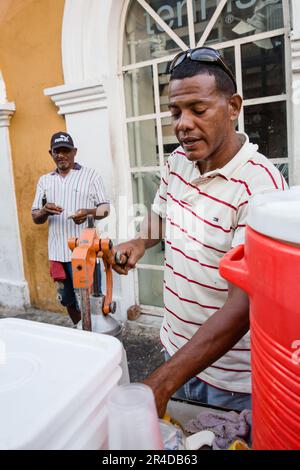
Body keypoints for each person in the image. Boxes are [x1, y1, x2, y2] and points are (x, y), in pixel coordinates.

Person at [113, 47, 287, 417]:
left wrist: (162, 381)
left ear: (234, 106)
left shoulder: (261, 188)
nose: (183, 124)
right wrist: (138, 242)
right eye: (176, 112)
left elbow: (242, 307)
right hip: (172, 348)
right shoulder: (178, 161)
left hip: (229, 383)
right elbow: (160, 214)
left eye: (198, 109)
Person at [32, 132, 110, 324]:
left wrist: (88, 212)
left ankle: (94, 334)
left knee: (90, 298)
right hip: (58, 252)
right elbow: (35, 217)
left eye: (65, 151)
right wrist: (44, 211)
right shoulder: (45, 181)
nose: (61, 155)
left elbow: (105, 209)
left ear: (74, 152)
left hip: (85, 252)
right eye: (57, 151)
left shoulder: (90, 175)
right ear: (51, 153)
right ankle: (79, 330)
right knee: (67, 300)